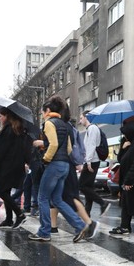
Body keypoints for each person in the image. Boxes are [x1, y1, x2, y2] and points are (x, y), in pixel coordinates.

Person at [28, 96, 96, 243]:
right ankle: (80, 226)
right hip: (65, 165)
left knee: (43, 198)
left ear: (47, 110)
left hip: (54, 164)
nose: (42, 114)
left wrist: (46, 158)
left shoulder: (49, 123)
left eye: (42, 111)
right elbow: (69, 148)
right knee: (57, 199)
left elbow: (52, 144)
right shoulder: (66, 125)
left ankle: (44, 232)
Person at [0, 108, 28, 230]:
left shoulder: (8, 130)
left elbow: (0, 151)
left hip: (6, 166)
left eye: (0, 116)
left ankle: (19, 214)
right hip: (15, 165)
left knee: (0, 191)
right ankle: (9, 219)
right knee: (5, 191)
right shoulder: (17, 130)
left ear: (6, 117)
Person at [78, 110, 110, 216]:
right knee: (88, 187)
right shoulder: (91, 129)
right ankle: (87, 212)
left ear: (86, 117)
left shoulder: (92, 128)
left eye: (81, 118)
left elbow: (91, 145)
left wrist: (88, 162)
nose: (80, 120)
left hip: (92, 161)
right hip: (92, 161)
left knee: (82, 185)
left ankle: (102, 203)